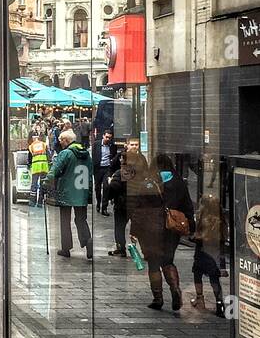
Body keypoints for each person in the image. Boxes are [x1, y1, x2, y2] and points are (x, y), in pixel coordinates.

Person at [129, 150, 194, 312]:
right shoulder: (179, 182)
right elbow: (187, 205)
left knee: (153, 263)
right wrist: (190, 225)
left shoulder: (149, 182)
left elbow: (138, 209)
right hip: (171, 228)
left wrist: (134, 230)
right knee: (167, 260)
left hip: (150, 228)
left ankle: (158, 298)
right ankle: (175, 288)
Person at [46, 126, 93, 259]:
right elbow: (90, 174)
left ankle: (66, 248)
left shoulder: (66, 153)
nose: (60, 142)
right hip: (81, 191)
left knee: (65, 220)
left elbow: (54, 171)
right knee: (81, 219)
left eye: (61, 140)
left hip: (67, 192)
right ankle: (87, 241)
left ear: (66, 140)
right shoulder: (86, 154)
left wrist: (45, 182)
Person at [191, 190, 226, 316]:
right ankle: (219, 303)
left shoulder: (203, 218)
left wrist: (195, 236)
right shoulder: (220, 219)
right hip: (215, 254)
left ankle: (200, 298)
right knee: (214, 279)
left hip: (202, 252)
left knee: (197, 273)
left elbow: (200, 236)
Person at [92, 129, 114, 214]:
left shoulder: (111, 146)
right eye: (106, 137)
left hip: (107, 168)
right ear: (103, 136)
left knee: (106, 187)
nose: (108, 139)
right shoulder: (96, 144)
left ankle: (104, 207)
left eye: (109, 138)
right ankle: (98, 203)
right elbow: (93, 156)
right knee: (97, 187)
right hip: (98, 168)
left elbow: (113, 156)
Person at [27, 131, 49, 207]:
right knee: (43, 184)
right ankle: (40, 201)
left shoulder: (31, 146)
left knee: (34, 184)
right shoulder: (44, 145)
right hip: (44, 166)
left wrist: (29, 165)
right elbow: (49, 156)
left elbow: (29, 158)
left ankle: (32, 202)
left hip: (36, 167)